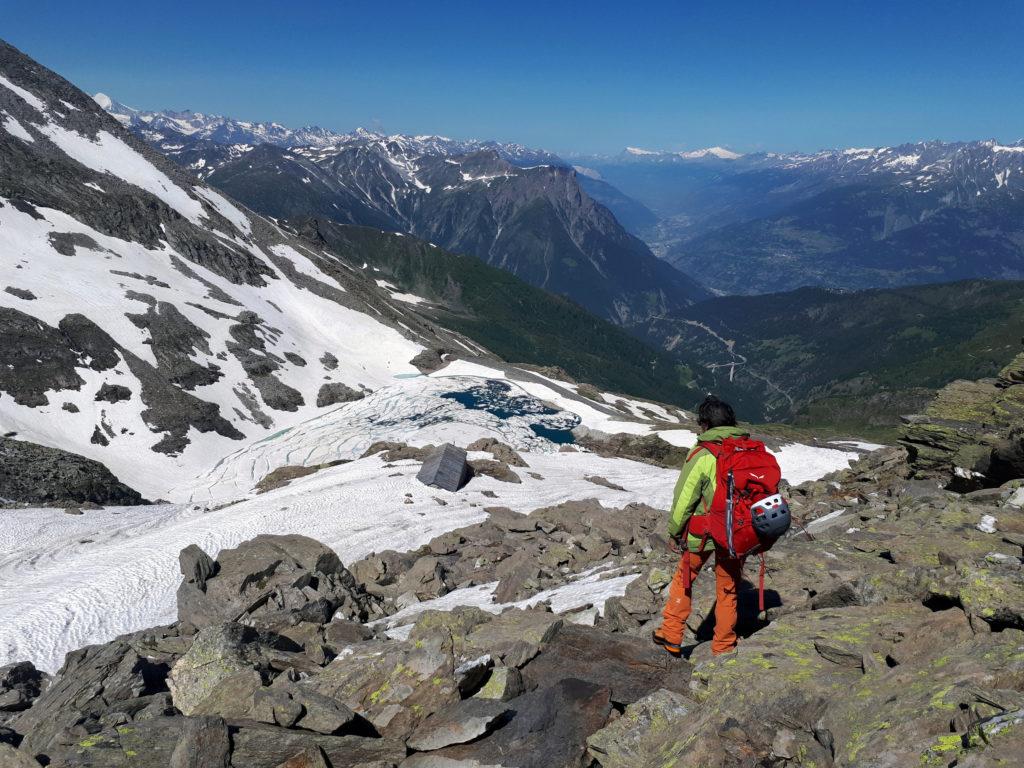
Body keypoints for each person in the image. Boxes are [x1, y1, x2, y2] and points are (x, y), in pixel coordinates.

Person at [653, 395, 748, 657]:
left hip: (704, 531)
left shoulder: (704, 454)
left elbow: (685, 498)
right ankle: (724, 644)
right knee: (728, 589)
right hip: (735, 532)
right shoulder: (747, 449)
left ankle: (671, 634)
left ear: (705, 425)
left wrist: (674, 531)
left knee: (685, 578)